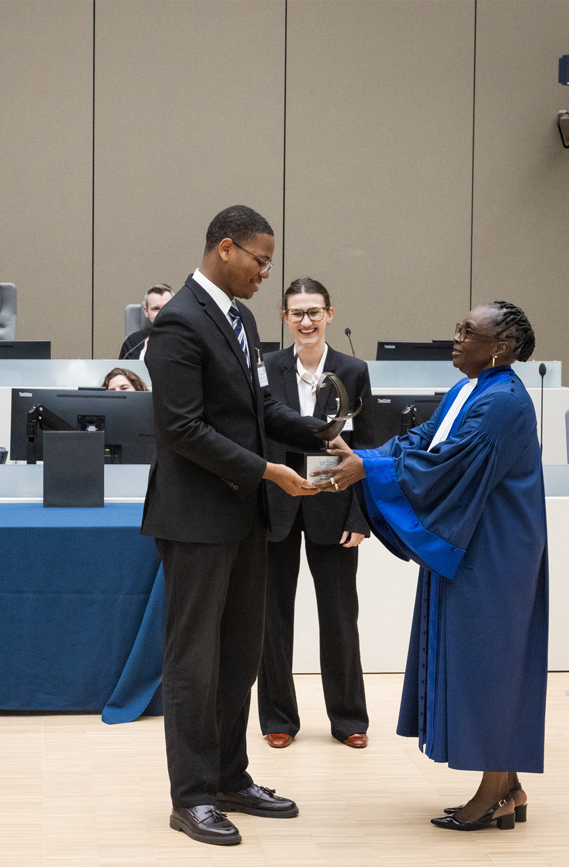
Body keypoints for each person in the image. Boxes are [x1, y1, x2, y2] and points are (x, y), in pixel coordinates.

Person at [143, 205, 352, 847]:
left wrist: (316, 432)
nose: (267, 273)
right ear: (225, 248)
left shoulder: (240, 317)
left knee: (238, 655)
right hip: (197, 518)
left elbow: (260, 406)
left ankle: (230, 776)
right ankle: (192, 796)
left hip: (244, 518)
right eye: (260, 261)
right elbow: (182, 429)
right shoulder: (179, 321)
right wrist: (268, 470)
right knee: (194, 661)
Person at [329, 301, 547, 831]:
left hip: (496, 553)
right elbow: (421, 441)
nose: (455, 338)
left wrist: (369, 469)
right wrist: (365, 457)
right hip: (472, 543)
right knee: (481, 660)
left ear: (500, 347)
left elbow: (445, 467)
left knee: (492, 666)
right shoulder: (471, 390)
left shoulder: (503, 402)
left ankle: (494, 792)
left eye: (468, 332)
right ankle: (509, 787)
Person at [257, 277, 373, 751]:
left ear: (330, 314)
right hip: (276, 507)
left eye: (314, 312)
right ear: (285, 318)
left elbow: (367, 450)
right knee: (271, 619)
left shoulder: (354, 369)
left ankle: (348, 719)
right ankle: (278, 718)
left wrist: (361, 518)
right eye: (296, 313)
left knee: (341, 618)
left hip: (335, 505)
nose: (306, 321)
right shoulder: (265, 368)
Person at [119, 283, 173, 359]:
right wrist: (144, 354)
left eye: (167, 307)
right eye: (156, 308)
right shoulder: (133, 342)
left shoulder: (188, 337)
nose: (161, 313)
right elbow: (122, 369)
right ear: (146, 311)